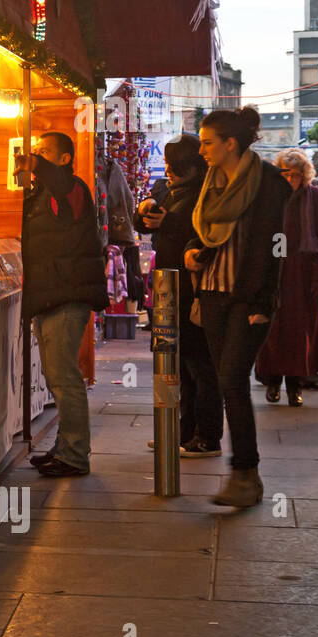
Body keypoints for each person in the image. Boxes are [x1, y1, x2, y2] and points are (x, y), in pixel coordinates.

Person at [184, 108, 291, 507]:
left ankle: (246, 474)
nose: (203, 152)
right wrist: (194, 253)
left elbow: (276, 243)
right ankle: (245, 476)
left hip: (247, 297)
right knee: (226, 379)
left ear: (231, 143)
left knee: (232, 379)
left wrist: (264, 300)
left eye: (209, 143)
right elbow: (207, 237)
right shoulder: (211, 181)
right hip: (212, 292)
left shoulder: (268, 182)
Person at [21, 132, 110, 477]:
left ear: (64, 159)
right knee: (56, 376)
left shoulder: (72, 188)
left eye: (45, 153)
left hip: (66, 296)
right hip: (49, 295)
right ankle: (64, 447)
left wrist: (37, 167)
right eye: (36, 152)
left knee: (65, 378)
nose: (37, 157)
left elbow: (58, 185)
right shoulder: (44, 191)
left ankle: (74, 455)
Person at [134, 134, 223, 456]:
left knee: (199, 363)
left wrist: (168, 221)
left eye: (177, 167)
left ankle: (207, 436)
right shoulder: (169, 191)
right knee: (176, 363)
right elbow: (146, 226)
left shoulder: (207, 195)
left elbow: (207, 235)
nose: (169, 171)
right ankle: (183, 432)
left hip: (193, 288)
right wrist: (145, 212)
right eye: (169, 165)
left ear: (193, 168)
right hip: (167, 285)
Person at [254, 148, 318, 406]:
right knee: (272, 332)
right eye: (286, 174)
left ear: (304, 175)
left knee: (301, 334)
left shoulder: (317, 198)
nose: (290, 180)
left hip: (305, 276)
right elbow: (266, 237)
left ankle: (294, 387)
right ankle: (273, 383)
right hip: (276, 274)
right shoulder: (270, 198)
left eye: (296, 175)